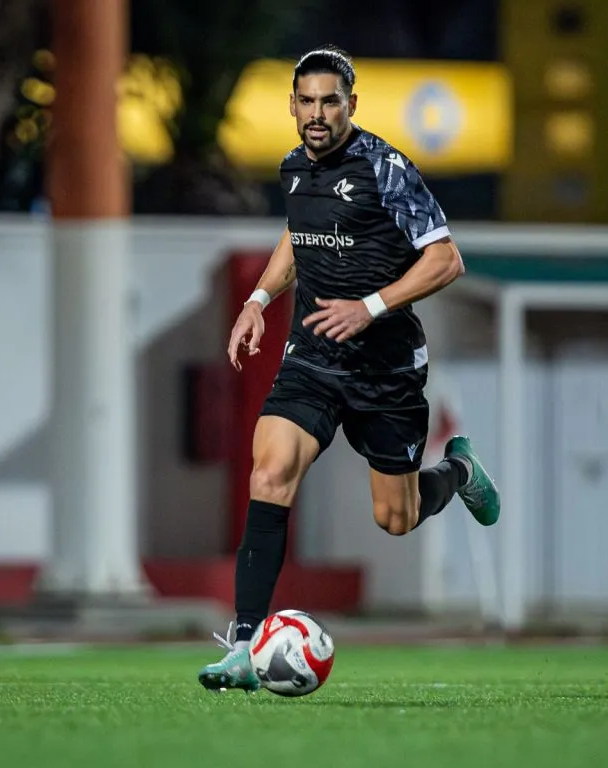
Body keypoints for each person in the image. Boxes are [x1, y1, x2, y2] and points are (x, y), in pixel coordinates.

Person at [197, 46, 500, 693]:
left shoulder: (385, 169)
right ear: (292, 106)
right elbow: (297, 234)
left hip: (386, 370)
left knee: (395, 518)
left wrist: (370, 307)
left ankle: (459, 471)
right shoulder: (292, 169)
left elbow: (446, 260)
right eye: (305, 101)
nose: (316, 112)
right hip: (313, 358)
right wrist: (258, 300)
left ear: (350, 106)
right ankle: (246, 644)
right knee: (270, 470)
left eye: (329, 101)